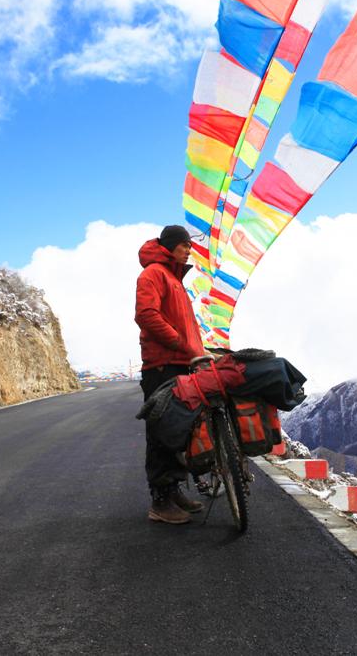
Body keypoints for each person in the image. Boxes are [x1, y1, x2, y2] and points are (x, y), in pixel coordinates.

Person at [135, 225, 206, 524]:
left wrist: (196, 352)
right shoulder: (153, 273)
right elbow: (146, 314)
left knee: (179, 430)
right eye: (185, 245)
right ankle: (160, 501)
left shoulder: (173, 278)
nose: (189, 250)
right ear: (171, 246)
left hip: (181, 362)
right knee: (162, 431)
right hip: (162, 364)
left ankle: (173, 489)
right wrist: (178, 342)